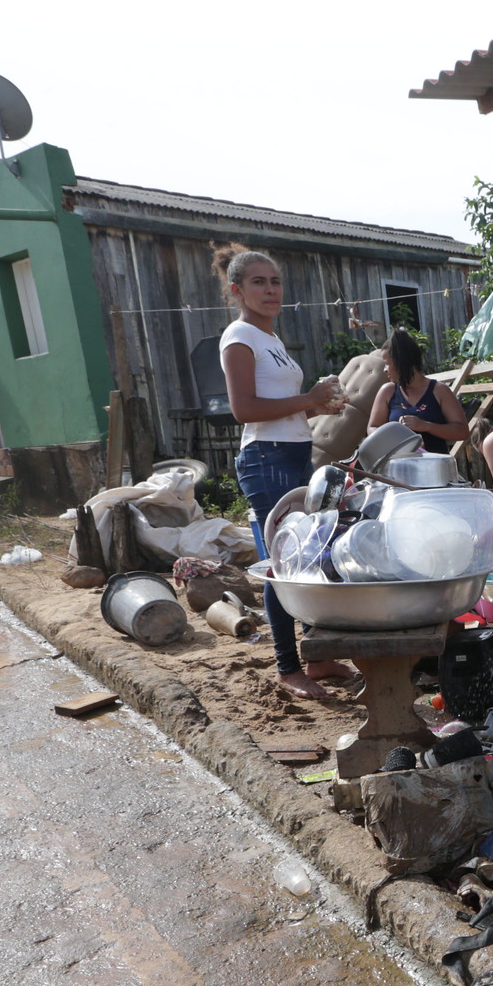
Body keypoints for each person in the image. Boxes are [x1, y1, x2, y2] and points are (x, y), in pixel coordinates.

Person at [216, 242, 356, 701]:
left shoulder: (271, 340)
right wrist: (312, 399)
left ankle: (316, 658)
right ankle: (287, 667)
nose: (270, 289)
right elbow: (244, 410)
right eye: (258, 282)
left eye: (274, 281)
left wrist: (322, 401)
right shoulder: (239, 337)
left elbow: (285, 402)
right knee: (282, 563)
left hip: (292, 452)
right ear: (237, 290)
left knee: (308, 554)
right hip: (266, 458)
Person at [366, 328, 468, 446]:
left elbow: (463, 432)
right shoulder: (387, 391)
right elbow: (372, 428)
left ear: (401, 362)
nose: (384, 370)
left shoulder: (439, 391)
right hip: (398, 463)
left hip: (432, 462)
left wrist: (425, 426)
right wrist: (394, 440)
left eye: (387, 363)